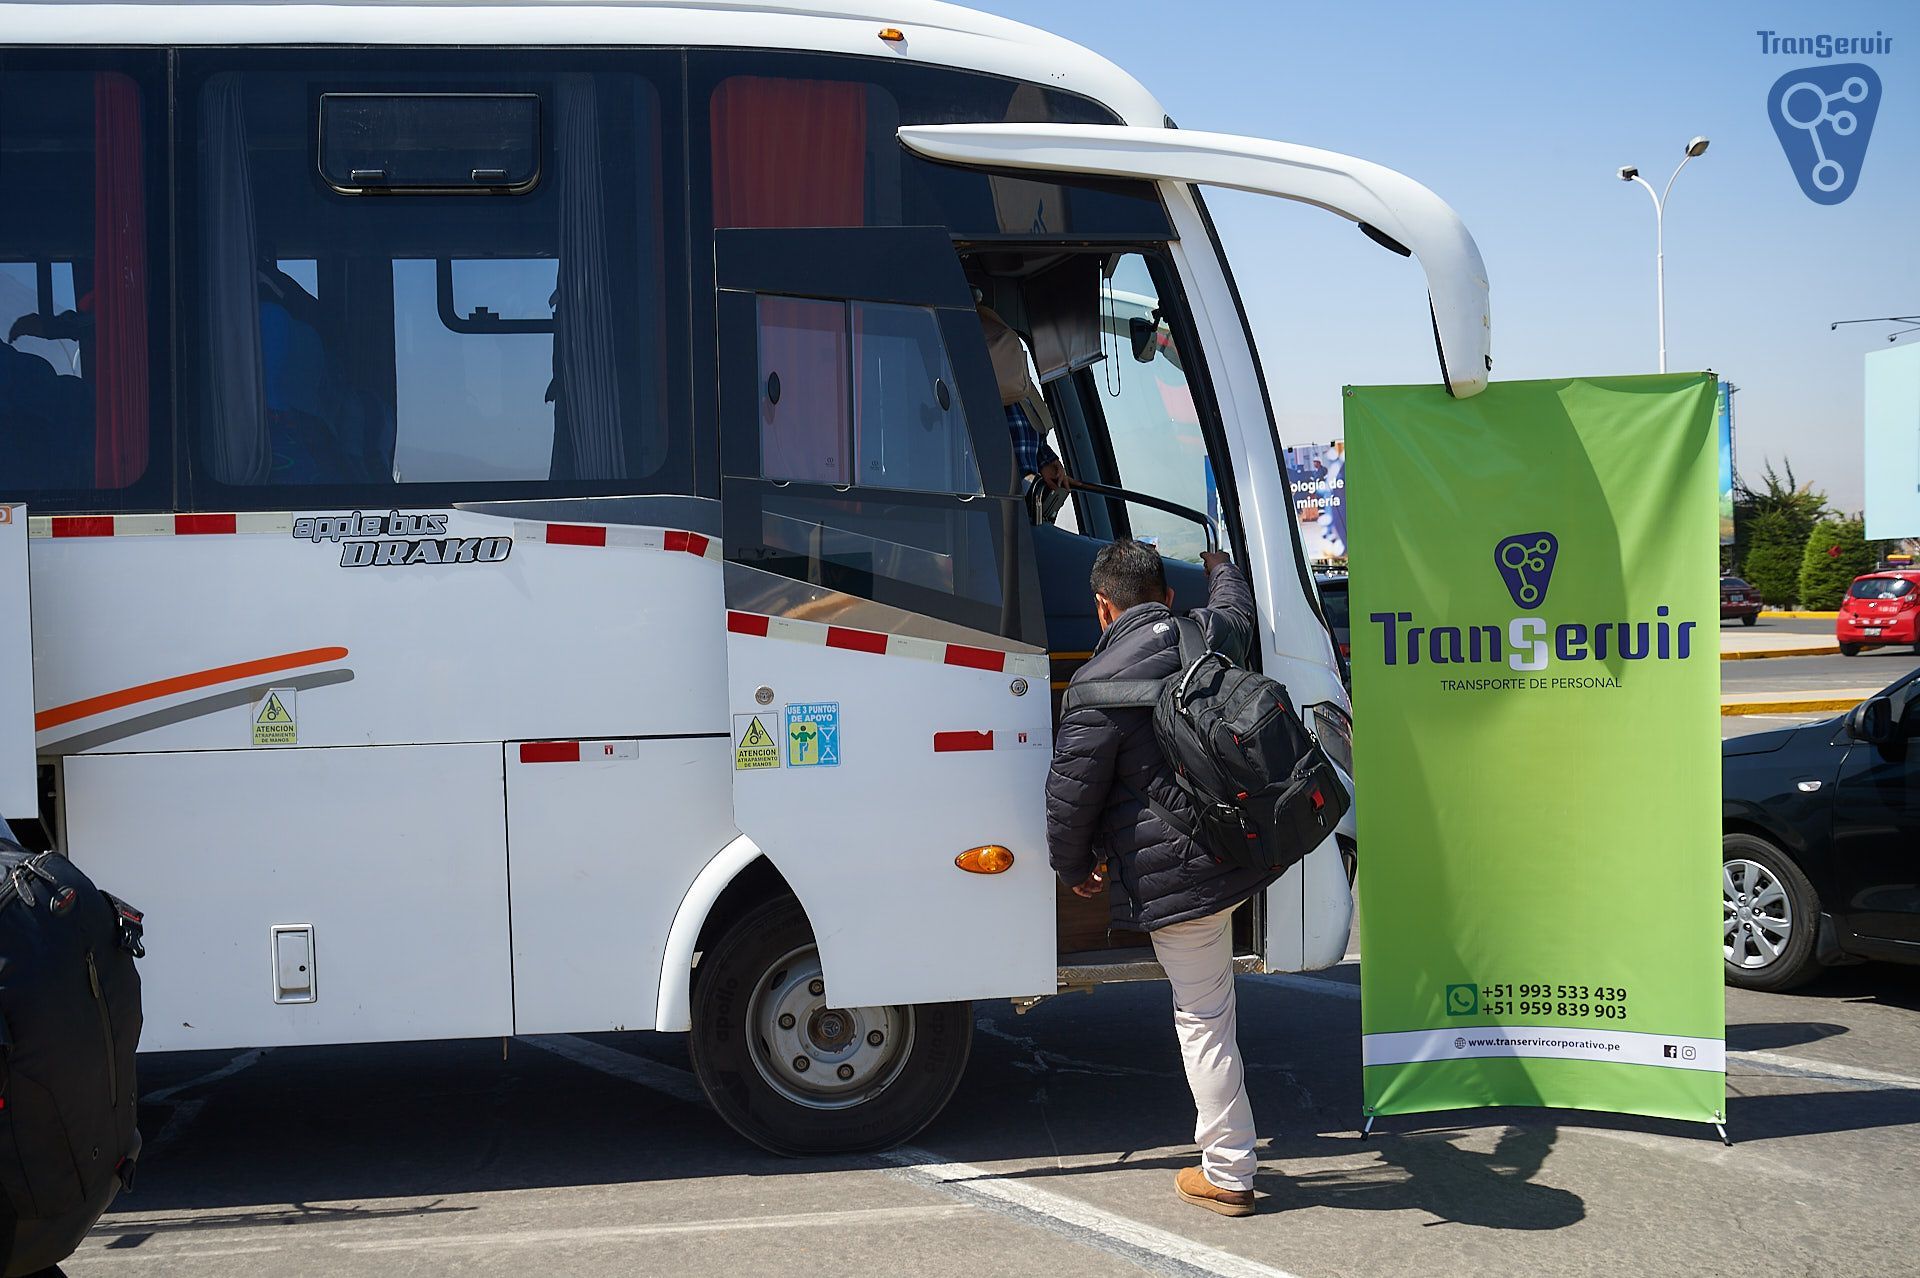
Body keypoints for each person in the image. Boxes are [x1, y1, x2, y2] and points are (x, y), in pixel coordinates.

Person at [1044, 539, 1276, 1218]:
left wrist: (1073, 868)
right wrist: (1221, 567)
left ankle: (1229, 1172)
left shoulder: (1094, 686)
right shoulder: (1205, 633)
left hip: (1175, 879)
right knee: (1214, 1010)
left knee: (1204, 1019)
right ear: (1168, 598)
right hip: (1240, 854)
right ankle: (1226, 1162)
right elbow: (1236, 607)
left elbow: (1070, 798)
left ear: (1102, 607)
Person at [975, 302, 1067, 497]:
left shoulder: (1021, 395)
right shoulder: (973, 407)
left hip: (1022, 502)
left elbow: (1032, 438)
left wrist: (1047, 461)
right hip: (998, 504)